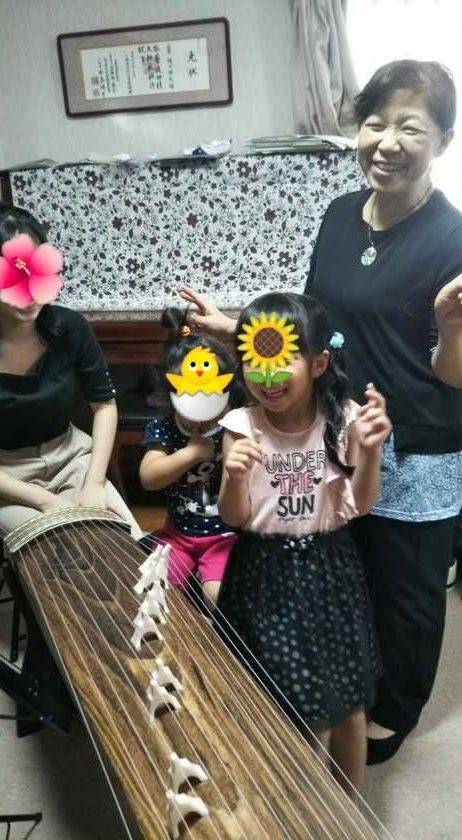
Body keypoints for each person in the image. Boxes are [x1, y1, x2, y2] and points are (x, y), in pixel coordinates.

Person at [180, 59, 462, 765]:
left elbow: (454, 375)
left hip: (414, 441)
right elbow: (318, 326)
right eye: (375, 123)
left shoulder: (452, 239)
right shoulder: (340, 214)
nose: (387, 142)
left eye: (410, 127)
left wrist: (449, 328)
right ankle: (350, 686)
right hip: (333, 428)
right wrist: (237, 330)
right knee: (348, 570)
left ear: (443, 140)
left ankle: (394, 711)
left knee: (407, 590)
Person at [213, 291, 391, 799]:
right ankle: (302, 812)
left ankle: (346, 810)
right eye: (254, 359)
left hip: (330, 568)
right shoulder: (241, 425)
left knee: (349, 701)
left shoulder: (344, 419)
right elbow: (235, 517)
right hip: (263, 572)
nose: (267, 375)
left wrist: (371, 454)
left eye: (282, 359)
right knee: (297, 706)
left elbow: (361, 505)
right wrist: (234, 477)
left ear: (318, 363)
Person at [0, 200, 142, 541]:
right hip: (1, 476)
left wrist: (94, 483)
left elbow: (104, 405)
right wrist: (47, 502)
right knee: (57, 551)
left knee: (126, 542)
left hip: (71, 458)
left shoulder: (71, 327)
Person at [139, 307, 239, 613]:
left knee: (218, 596)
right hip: (177, 536)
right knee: (154, 594)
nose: (203, 415)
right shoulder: (164, 429)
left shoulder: (234, 425)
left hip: (226, 537)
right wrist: (190, 453)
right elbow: (149, 477)